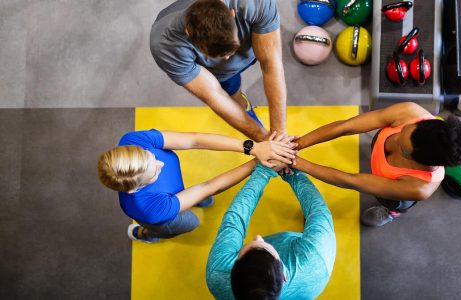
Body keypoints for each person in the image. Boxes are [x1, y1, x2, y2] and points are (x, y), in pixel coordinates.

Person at [292, 102, 461, 227]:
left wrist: (298, 163)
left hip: (394, 193)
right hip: (381, 158)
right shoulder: (410, 112)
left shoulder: (419, 187)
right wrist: (297, 144)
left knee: (396, 205)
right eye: (401, 132)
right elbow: (345, 127)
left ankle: (390, 213)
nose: (395, 139)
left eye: (402, 148)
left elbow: (351, 181)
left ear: (418, 160)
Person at [97, 129, 296, 242]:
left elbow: (195, 140)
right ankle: (147, 234)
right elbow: (208, 187)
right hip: (162, 218)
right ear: (133, 189)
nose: (161, 164)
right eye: (155, 172)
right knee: (190, 222)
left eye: (152, 157)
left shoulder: (133, 140)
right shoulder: (152, 210)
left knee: (193, 197)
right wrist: (257, 162)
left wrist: (254, 148)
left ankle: (185, 199)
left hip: (171, 196)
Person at [150, 0, 287, 141]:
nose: (228, 58)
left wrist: (280, 134)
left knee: (268, 59)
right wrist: (264, 140)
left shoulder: (255, 2)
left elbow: (271, 64)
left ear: (231, 13)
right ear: (188, 32)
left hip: (254, 38)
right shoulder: (165, 45)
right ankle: (245, 107)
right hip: (221, 74)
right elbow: (214, 94)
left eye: (229, 51)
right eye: (218, 55)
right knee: (233, 95)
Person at [206, 164, 335, 300]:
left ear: (232, 274)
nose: (258, 237)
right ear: (284, 275)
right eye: (265, 246)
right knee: (314, 221)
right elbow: (318, 211)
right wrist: (293, 174)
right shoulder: (316, 259)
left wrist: (263, 172)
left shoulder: (217, 275)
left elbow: (234, 222)